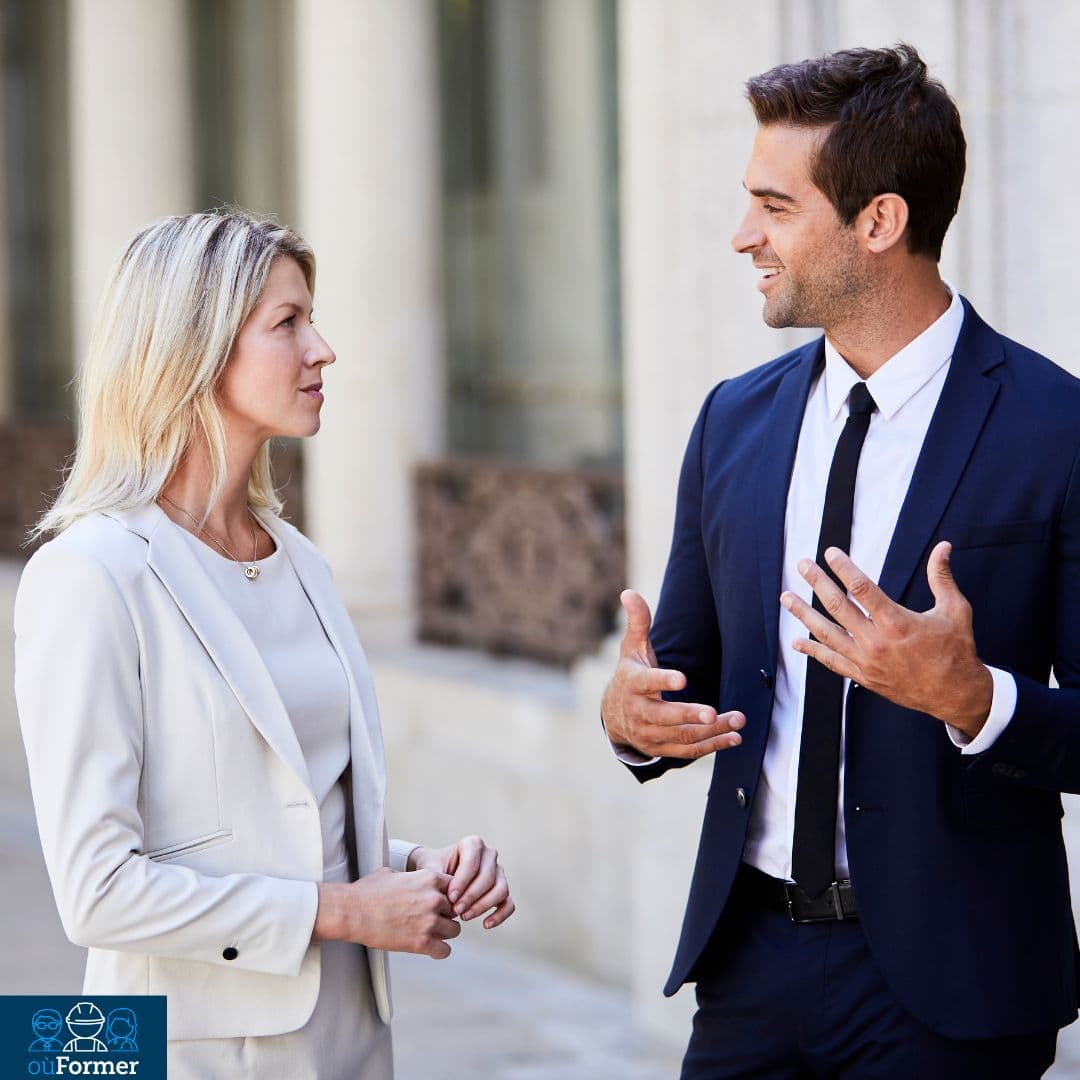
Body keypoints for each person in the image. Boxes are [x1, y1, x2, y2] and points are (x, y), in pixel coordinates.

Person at [601, 44, 1080, 1078]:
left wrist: (973, 699)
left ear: (879, 222)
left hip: (954, 995)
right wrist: (632, 719)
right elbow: (676, 679)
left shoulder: (1057, 429)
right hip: (749, 971)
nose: (742, 237)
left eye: (774, 207)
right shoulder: (733, 422)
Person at [14, 210, 515, 1079]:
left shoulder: (303, 565)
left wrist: (411, 869)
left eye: (309, 319)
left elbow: (273, 824)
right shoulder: (92, 575)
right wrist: (345, 911)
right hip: (183, 1050)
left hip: (349, 1040)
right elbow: (97, 892)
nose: (322, 349)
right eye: (287, 324)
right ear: (195, 351)